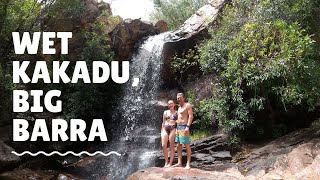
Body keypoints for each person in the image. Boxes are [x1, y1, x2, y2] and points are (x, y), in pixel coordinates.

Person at [173, 93, 193, 169]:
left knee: (186, 145)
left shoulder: (187, 105)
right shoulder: (179, 108)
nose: (179, 99)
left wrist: (187, 127)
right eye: (178, 98)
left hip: (184, 127)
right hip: (178, 127)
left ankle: (188, 164)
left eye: (180, 98)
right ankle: (179, 163)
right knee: (178, 145)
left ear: (183, 98)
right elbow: (178, 118)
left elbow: (190, 116)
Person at [161, 100, 178, 167]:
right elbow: (163, 122)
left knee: (171, 146)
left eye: (171, 103)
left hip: (173, 128)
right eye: (169, 104)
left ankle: (170, 163)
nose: (170, 105)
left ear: (174, 104)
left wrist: (177, 130)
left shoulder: (177, 113)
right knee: (163, 145)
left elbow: (178, 121)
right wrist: (162, 130)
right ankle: (166, 161)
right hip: (165, 128)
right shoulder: (165, 112)